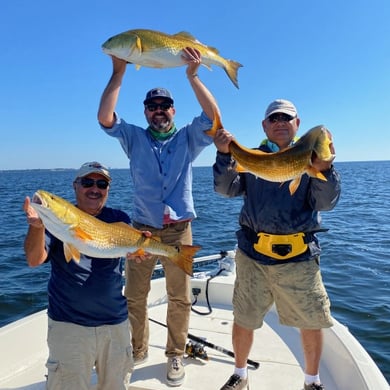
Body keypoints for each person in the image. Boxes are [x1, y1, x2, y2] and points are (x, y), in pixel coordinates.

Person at [97, 47, 220, 387]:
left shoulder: (188, 138)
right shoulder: (134, 138)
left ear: (173, 109)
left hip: (180, 231)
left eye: (164, 105)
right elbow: (106, 119)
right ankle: (137, 349)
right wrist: (118, 72)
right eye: (152, 106)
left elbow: (212, 118)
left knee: (179, 297)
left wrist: (193, 77)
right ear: (146, 112)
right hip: (142, 233)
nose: (158, 111)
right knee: (134, 295)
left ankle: (175, 354)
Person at [213, 99, 341, 390]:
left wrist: (326, 170)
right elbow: (225, 189)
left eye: (287, 118)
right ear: (264, 126)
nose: (280, 122)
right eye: (274, 118)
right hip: (252, 254)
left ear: (297, 124)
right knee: (244, 317)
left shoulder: (312, 160)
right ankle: (239, 374)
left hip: (300, 257)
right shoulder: (252, 158)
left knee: (311, 321)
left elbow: (326, 202)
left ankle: (312, 381)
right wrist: (224, 156)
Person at [23, 161, 133, 390]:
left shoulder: (119, 218)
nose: (95, 188)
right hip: (69, 325)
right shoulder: (54, 224)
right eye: (87, 182)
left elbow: (134, 250)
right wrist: (36, 227)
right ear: (75, 186)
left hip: (115, 323)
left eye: (101, 183)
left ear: (108, 189)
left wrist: (141, 252)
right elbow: (34, 260)